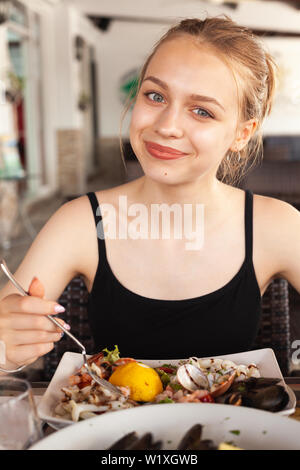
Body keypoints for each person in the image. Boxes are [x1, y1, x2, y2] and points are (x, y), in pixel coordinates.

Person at [0, 16, 300, 373]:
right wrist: (8, 349)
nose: (166, 126)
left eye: (202, 111)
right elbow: (9, 351)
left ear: (241, 134)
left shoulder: (276, 225)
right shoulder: (80, 222)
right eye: (155, 96)